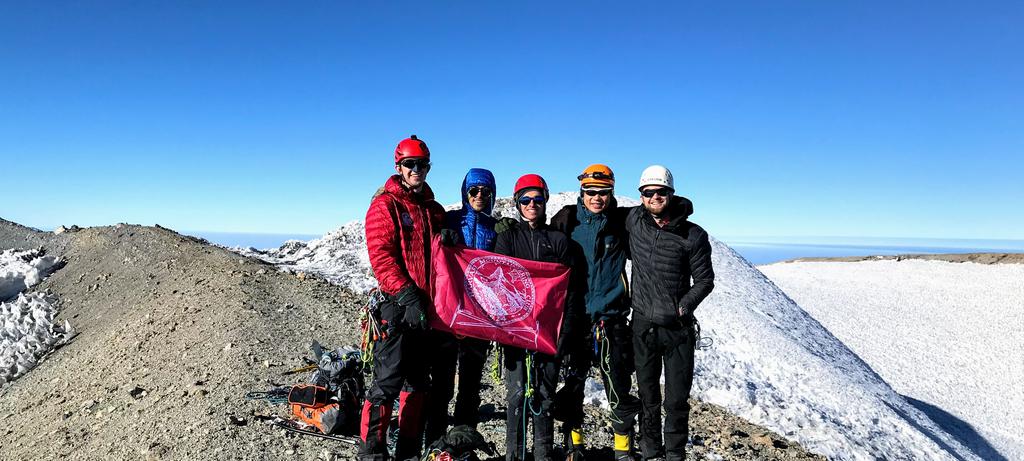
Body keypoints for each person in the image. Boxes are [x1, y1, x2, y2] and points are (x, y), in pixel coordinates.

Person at [361, 135, 446, 461]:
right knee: (386, 383)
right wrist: (408, 295)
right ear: (399, 166)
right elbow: (381, 257)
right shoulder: (385, 205)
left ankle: (408, 451)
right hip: (397, 308)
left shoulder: (433, 210)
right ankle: (372, 452)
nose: (417, 170)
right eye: (410, 164)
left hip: (424, 310)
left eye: (422, 164)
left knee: (417, 384)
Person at [550, 164, 641, 461]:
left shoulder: (622, 222)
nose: (596, 198)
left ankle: (623, 448)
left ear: (611, 193)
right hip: (576, 316)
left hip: (611, 316)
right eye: (591, 192)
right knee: (574, 382)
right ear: (582, 191)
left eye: (603, 192)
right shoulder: (567, 220)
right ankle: (574, 444)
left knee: (617, 383)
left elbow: (656, 220)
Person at [625, 165, 714, 461]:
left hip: (677, 330)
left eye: (660, 191)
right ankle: (651, 451)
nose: (654, 197)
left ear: (671, 193)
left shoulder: (693, 235)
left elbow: (704, 280)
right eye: (648, 192)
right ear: (641, 195)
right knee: (648, 396)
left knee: (676, 400)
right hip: (642, 327)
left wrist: (683, 306)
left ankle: (675, 454)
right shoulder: (634, 221)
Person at [494, 174, 585, 461]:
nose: (532, 204)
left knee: (544, 397)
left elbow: (572, 291)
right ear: (517, 204)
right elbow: (497, 285)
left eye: (537, 199)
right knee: (517, 396)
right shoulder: (506, 239)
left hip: (550, 332)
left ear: (545, 201)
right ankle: (515, 456)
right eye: (525, 200)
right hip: (515, 333)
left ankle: (544, 455)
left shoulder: (559, 242)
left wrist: (566, 330)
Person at [424, 168, 498, 447]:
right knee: (442, 383)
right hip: (449, 314)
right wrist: (440, 238)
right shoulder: (450, 220)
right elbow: (428, 250)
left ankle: (462, 443)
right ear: (465, 193)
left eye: (486, 191)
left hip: (480, 317)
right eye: (474, 191)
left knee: (470, 384)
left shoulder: (495, 228)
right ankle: (433, 442)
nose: (480, 196)